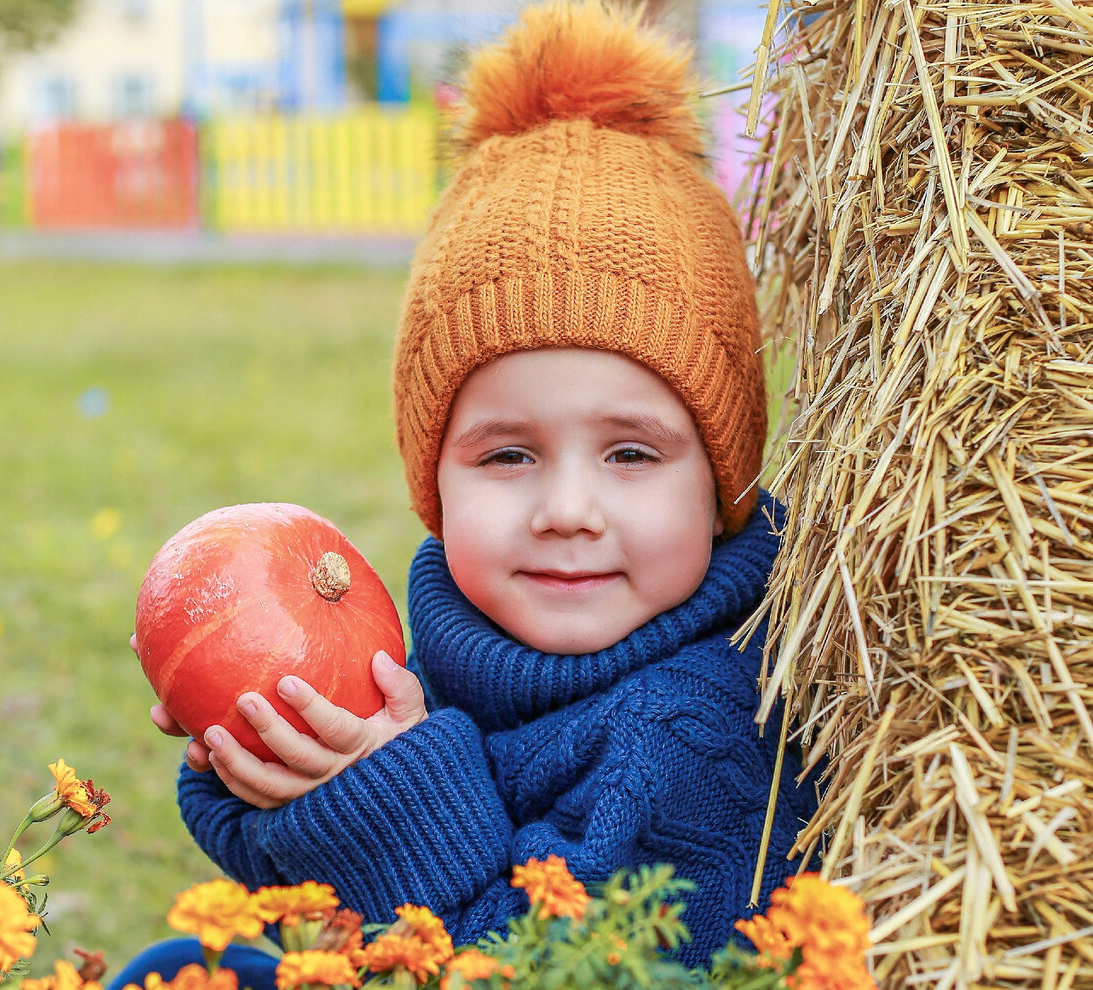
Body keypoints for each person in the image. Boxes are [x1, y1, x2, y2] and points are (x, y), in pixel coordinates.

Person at [111, 1, 819, 984]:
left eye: (630, 455)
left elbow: (545, 970)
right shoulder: (462, 645)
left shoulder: (697, 731)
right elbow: (330, 898)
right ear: (432, 482)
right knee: (177, 969)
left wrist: (385, 799)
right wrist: (270, 766)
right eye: (508, 457)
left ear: (723, 486)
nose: (567, 508)